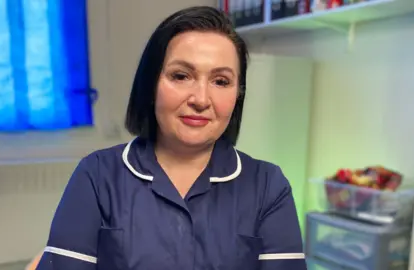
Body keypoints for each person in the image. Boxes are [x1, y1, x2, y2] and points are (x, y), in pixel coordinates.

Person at [37, 6, 306, 270]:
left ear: (238, 95)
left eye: (221, 81)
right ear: (151, 84)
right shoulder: (97, 176)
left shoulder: (268, 187)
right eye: (181, 76)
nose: (201, 99)